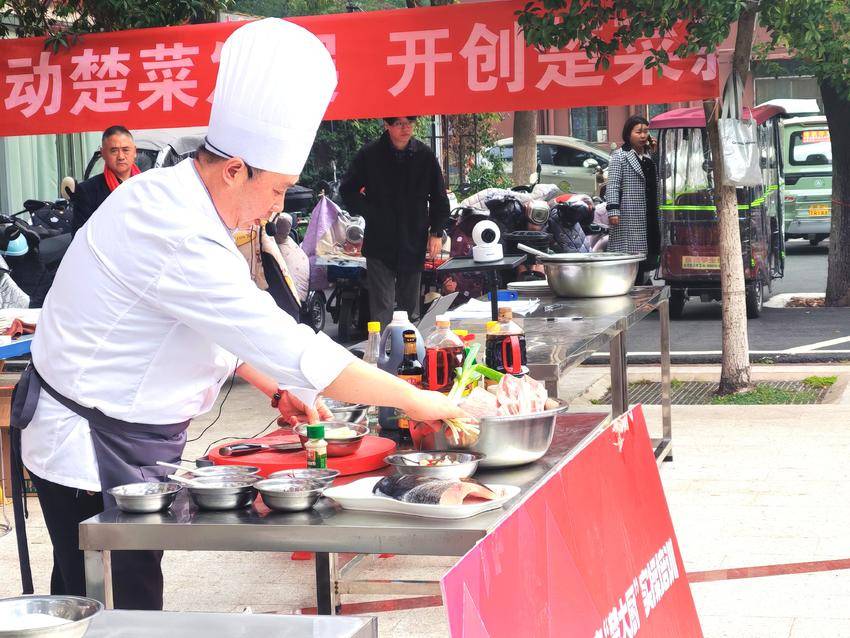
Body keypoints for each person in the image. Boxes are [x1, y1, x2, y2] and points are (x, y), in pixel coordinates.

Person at [9, 18, 464, 610]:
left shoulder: (181, 200)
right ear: (233, 169)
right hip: (89, 444)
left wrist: (275, 388)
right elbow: (289, 343)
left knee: (121, 598)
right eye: (276, 190)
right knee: (111, 606)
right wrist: (423, 402)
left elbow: (210, 326)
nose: (277, 208)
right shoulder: (176, 228)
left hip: (124, 437)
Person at [340, 117, 450, 328]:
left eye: (409, 122)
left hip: (413, 237)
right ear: (387, 125)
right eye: (399, 123)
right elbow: (348, 190)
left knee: (410, 309)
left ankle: (411, 347)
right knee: (382, 308)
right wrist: (370, 212)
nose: (405, 128)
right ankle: (381, 347)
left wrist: (436, 232)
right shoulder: (370, 154)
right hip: (379, 239)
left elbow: (439, 197)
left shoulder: (424, 155)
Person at [605, 115, 662, 284]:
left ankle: (643, 283)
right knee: (631, 256)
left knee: (649, 253)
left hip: (650, 211)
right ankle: (632, 284)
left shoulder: (649, 156)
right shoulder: (620, 156)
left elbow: (664, 175)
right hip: (629, 214)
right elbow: (613, 185)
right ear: (628, 134)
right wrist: (613, 211)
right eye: (638, 132)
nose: (643, 136)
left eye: (646, 131)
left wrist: (656, 153)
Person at [71, 125, 140, 233]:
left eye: (126, 150)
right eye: (114, 151)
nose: (121, 157)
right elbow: (80, 236)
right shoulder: (87, 190)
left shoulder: (147, 184)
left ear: (135, 151)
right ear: (103, 153)